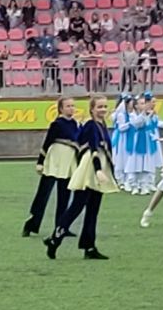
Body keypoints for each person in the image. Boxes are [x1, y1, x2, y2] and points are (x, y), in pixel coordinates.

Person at [46, 96, 115, 260]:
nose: (103, 110)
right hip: (90, 168)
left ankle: (89, 246)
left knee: (93, 209)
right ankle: (55, 238)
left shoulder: (102, 125)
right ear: (92, 109)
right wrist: (98, 170)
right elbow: (92, 149)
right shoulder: (91, 125)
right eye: (99, 107)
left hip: (99, 169)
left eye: (105, 106)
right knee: (77, 206)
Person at [22, 98, 80, 237]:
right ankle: (31, 224)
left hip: (68, 162)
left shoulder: (75, 124)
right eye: (68, 106)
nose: (71, 108)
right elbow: (47, 143)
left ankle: (61, 227)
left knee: (64, 195)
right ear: (61, 109)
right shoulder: (56, 124)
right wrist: (40, 162)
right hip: (54, 161)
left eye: (73, 106)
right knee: (43, 194)